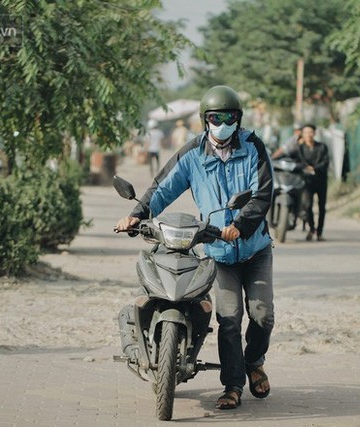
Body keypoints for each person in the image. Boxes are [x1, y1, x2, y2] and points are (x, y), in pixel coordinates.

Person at [116, 85, 275, 411]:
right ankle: (232, 386)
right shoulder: (192, 154)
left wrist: (241, 225)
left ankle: (254, 361)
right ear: (205, 120)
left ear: (238, 118)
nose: (222, 123)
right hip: (218, 251)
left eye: (228, 117)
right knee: (229, 318)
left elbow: (263, 194)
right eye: (215, 117)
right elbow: (162, 187)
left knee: (262, 316)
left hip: (255, 247)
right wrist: (136, 215)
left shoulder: (254, 147)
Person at [272, 123, 329, 241]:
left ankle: (319, 233)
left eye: (311, 132)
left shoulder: (322, 147)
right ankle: (311, 229)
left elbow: (325, 162)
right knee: (307, 206)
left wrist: (314, 168)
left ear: (314, 133)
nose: (309, 134)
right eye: (306, 132)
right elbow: (287, 157)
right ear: (302, 134)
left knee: (322, 207)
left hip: (321, 180)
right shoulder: (299, 149)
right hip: (306, 181)